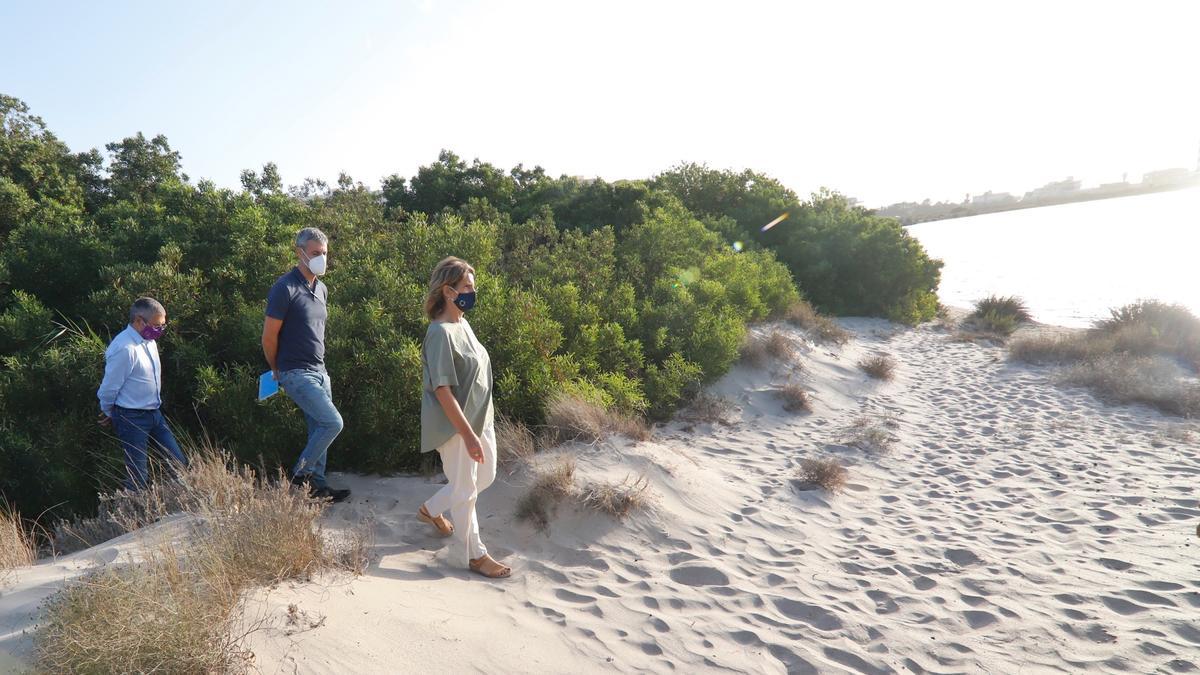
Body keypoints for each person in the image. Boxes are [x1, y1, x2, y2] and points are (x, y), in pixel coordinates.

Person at [417, 257, 511, 578]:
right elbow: (443, 391)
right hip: (457, 427)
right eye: (467, 287)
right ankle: (474, 555)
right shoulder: (439, 333)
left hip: (481, 420)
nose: (473, 292)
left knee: (485, 477)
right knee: (466, 489)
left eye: (473, 286)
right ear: (448, 291)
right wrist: (468, 436)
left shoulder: (463, 324)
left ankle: (431, 510)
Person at [262, 226, 350, 503]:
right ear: (299, 252)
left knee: (319, 428)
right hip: (294, 371)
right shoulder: (284, 288)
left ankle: (318, 485)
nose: (321, 258)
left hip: (320, 370)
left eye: (324, 253)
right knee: (333, 423)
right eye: (315, 253)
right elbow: (269, 336)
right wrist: (276, 369)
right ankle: (299, 476)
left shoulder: (321, 288)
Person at [97, 297, 188, 489]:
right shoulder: (124, 348)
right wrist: (108, 412)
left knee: (179, 464)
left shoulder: (149, 341)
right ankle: (130, 516)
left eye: (163, 326)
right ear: (139, 320)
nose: (160, 331)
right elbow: (109, 388)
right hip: (131, 416)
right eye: (157, 326)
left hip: (154, 413)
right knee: (138, 476)